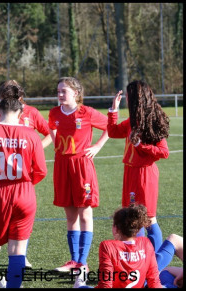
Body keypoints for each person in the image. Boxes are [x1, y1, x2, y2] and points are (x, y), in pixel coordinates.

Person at [0, 80, 51, 272]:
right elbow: (41, 171)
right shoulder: (31, 135)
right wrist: (27, 183)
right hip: (24, 190)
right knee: (18, 251)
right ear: (20, 112)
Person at [49, 77, 109, 273]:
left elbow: (111, 126)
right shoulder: (54, 113)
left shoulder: (87, 112)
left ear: (75, 93)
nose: (59, 95)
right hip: (62, 166)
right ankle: (74, 261)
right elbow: (51, 127)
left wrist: (98, 147)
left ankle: (83, 262)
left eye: (63, 91)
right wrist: (56, 143)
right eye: (58, 91)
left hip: (82, 166)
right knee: (70, 216)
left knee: (85, 213)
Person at [107, 80, 169, 252]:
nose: (126, 97)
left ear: (136, 97)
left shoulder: (150, 122)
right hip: (130, 173)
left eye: (128, 95)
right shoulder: (131, 121)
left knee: (148, 219)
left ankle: (154, 262)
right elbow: (112, 132)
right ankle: (139, 259)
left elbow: (164, 152)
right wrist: (114, 109)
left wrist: (141, 145)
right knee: (132, 218)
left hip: (145, 175)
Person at [74, 204, 163, 288]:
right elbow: (154, 282)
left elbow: (106, 285)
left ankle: (80, 283)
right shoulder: (146, 243)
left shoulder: (108, 246)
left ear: (116, 228)